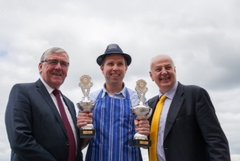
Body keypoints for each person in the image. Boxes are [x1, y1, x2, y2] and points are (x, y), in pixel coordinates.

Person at [5, 47, 84, 161]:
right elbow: (20, 140)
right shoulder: (22, 92)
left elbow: (71, 144)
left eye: (64, 64)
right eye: (53, 62)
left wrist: (85, 130)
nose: (58, 67)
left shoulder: (69, 104)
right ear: (40, 67)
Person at [148, 54, 231, 161]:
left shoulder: (195, 94)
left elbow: (215, 139)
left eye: (168, 67)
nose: (164, 72)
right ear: (151, 76)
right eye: (158, 69)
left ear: (175, 70)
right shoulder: (150, 105)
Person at [77, 43, 150, 161]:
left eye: (120, 64)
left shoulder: (137, 99)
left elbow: (144, 143)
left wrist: (145, 132)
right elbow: (82, 144)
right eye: (110, 64)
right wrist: (81, 130)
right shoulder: (90, 99)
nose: (115, 68)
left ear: (126, 68)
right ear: (102, 69)